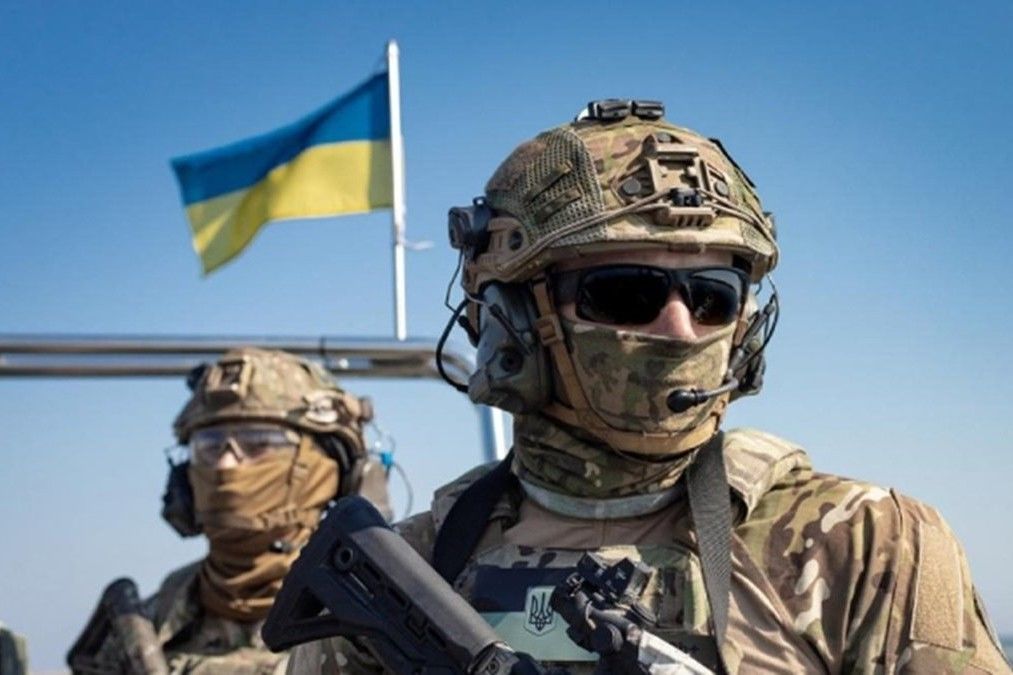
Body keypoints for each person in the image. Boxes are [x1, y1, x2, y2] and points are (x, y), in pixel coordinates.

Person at [286, 101, 1009, 674]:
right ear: (510, 319)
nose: (680, 328)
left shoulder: (865, 543)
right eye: (623, 292)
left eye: (713, 296)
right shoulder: (399, 573)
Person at [69, 347, 391, 674]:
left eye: (258, 443)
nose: (225, 465)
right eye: (209, 447)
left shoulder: (384, 628)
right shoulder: (141, 629)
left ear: (332, 471)